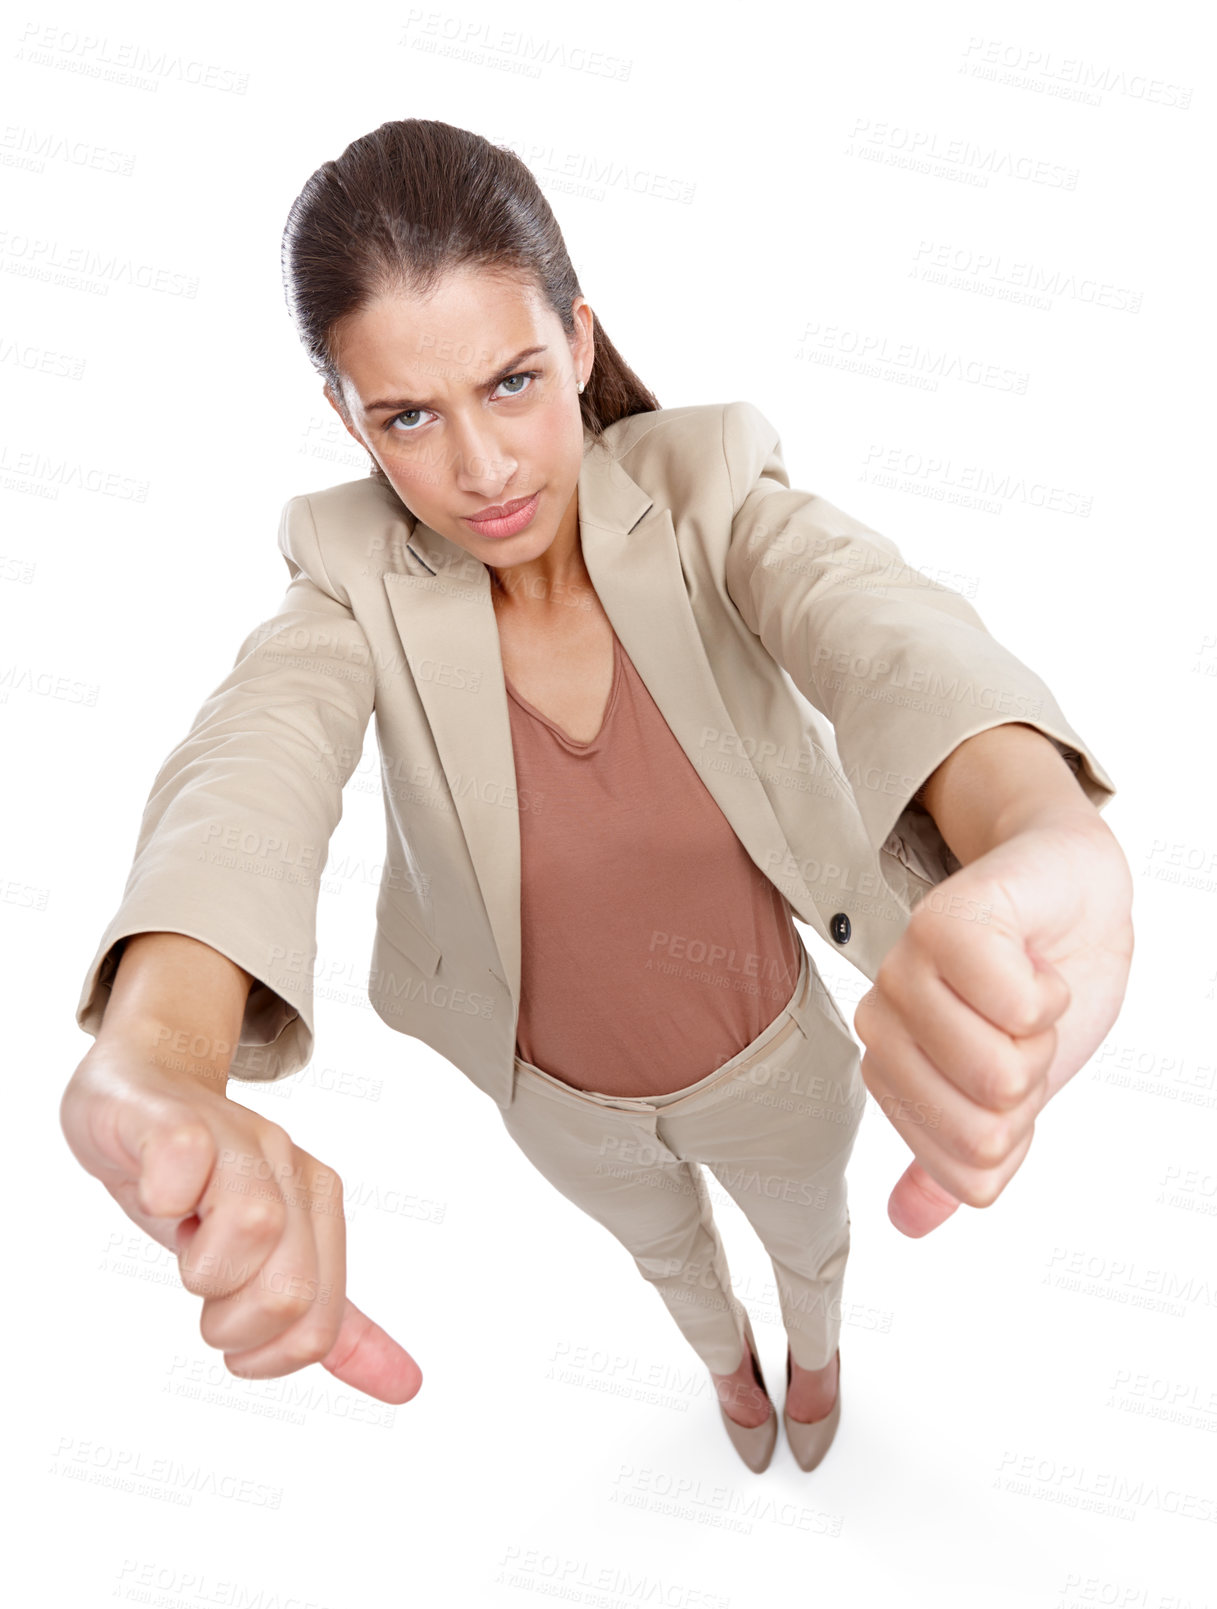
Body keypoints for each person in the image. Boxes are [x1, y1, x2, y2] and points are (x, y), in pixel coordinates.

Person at [60, 119, 1133, 1475]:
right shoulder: (348, 578)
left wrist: (1043, 824)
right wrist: (156, 1058)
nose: (482, 468)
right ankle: (727, 1368)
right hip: (554, 1094)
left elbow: (877, 624)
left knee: (811, 1238)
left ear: (575, 341)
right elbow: (248, 772)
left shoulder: (707, 491)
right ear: (347, 417)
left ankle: (813, 1350)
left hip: (771, 1061)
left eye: (511, 382)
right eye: (407, 416)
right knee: (667, 1258)